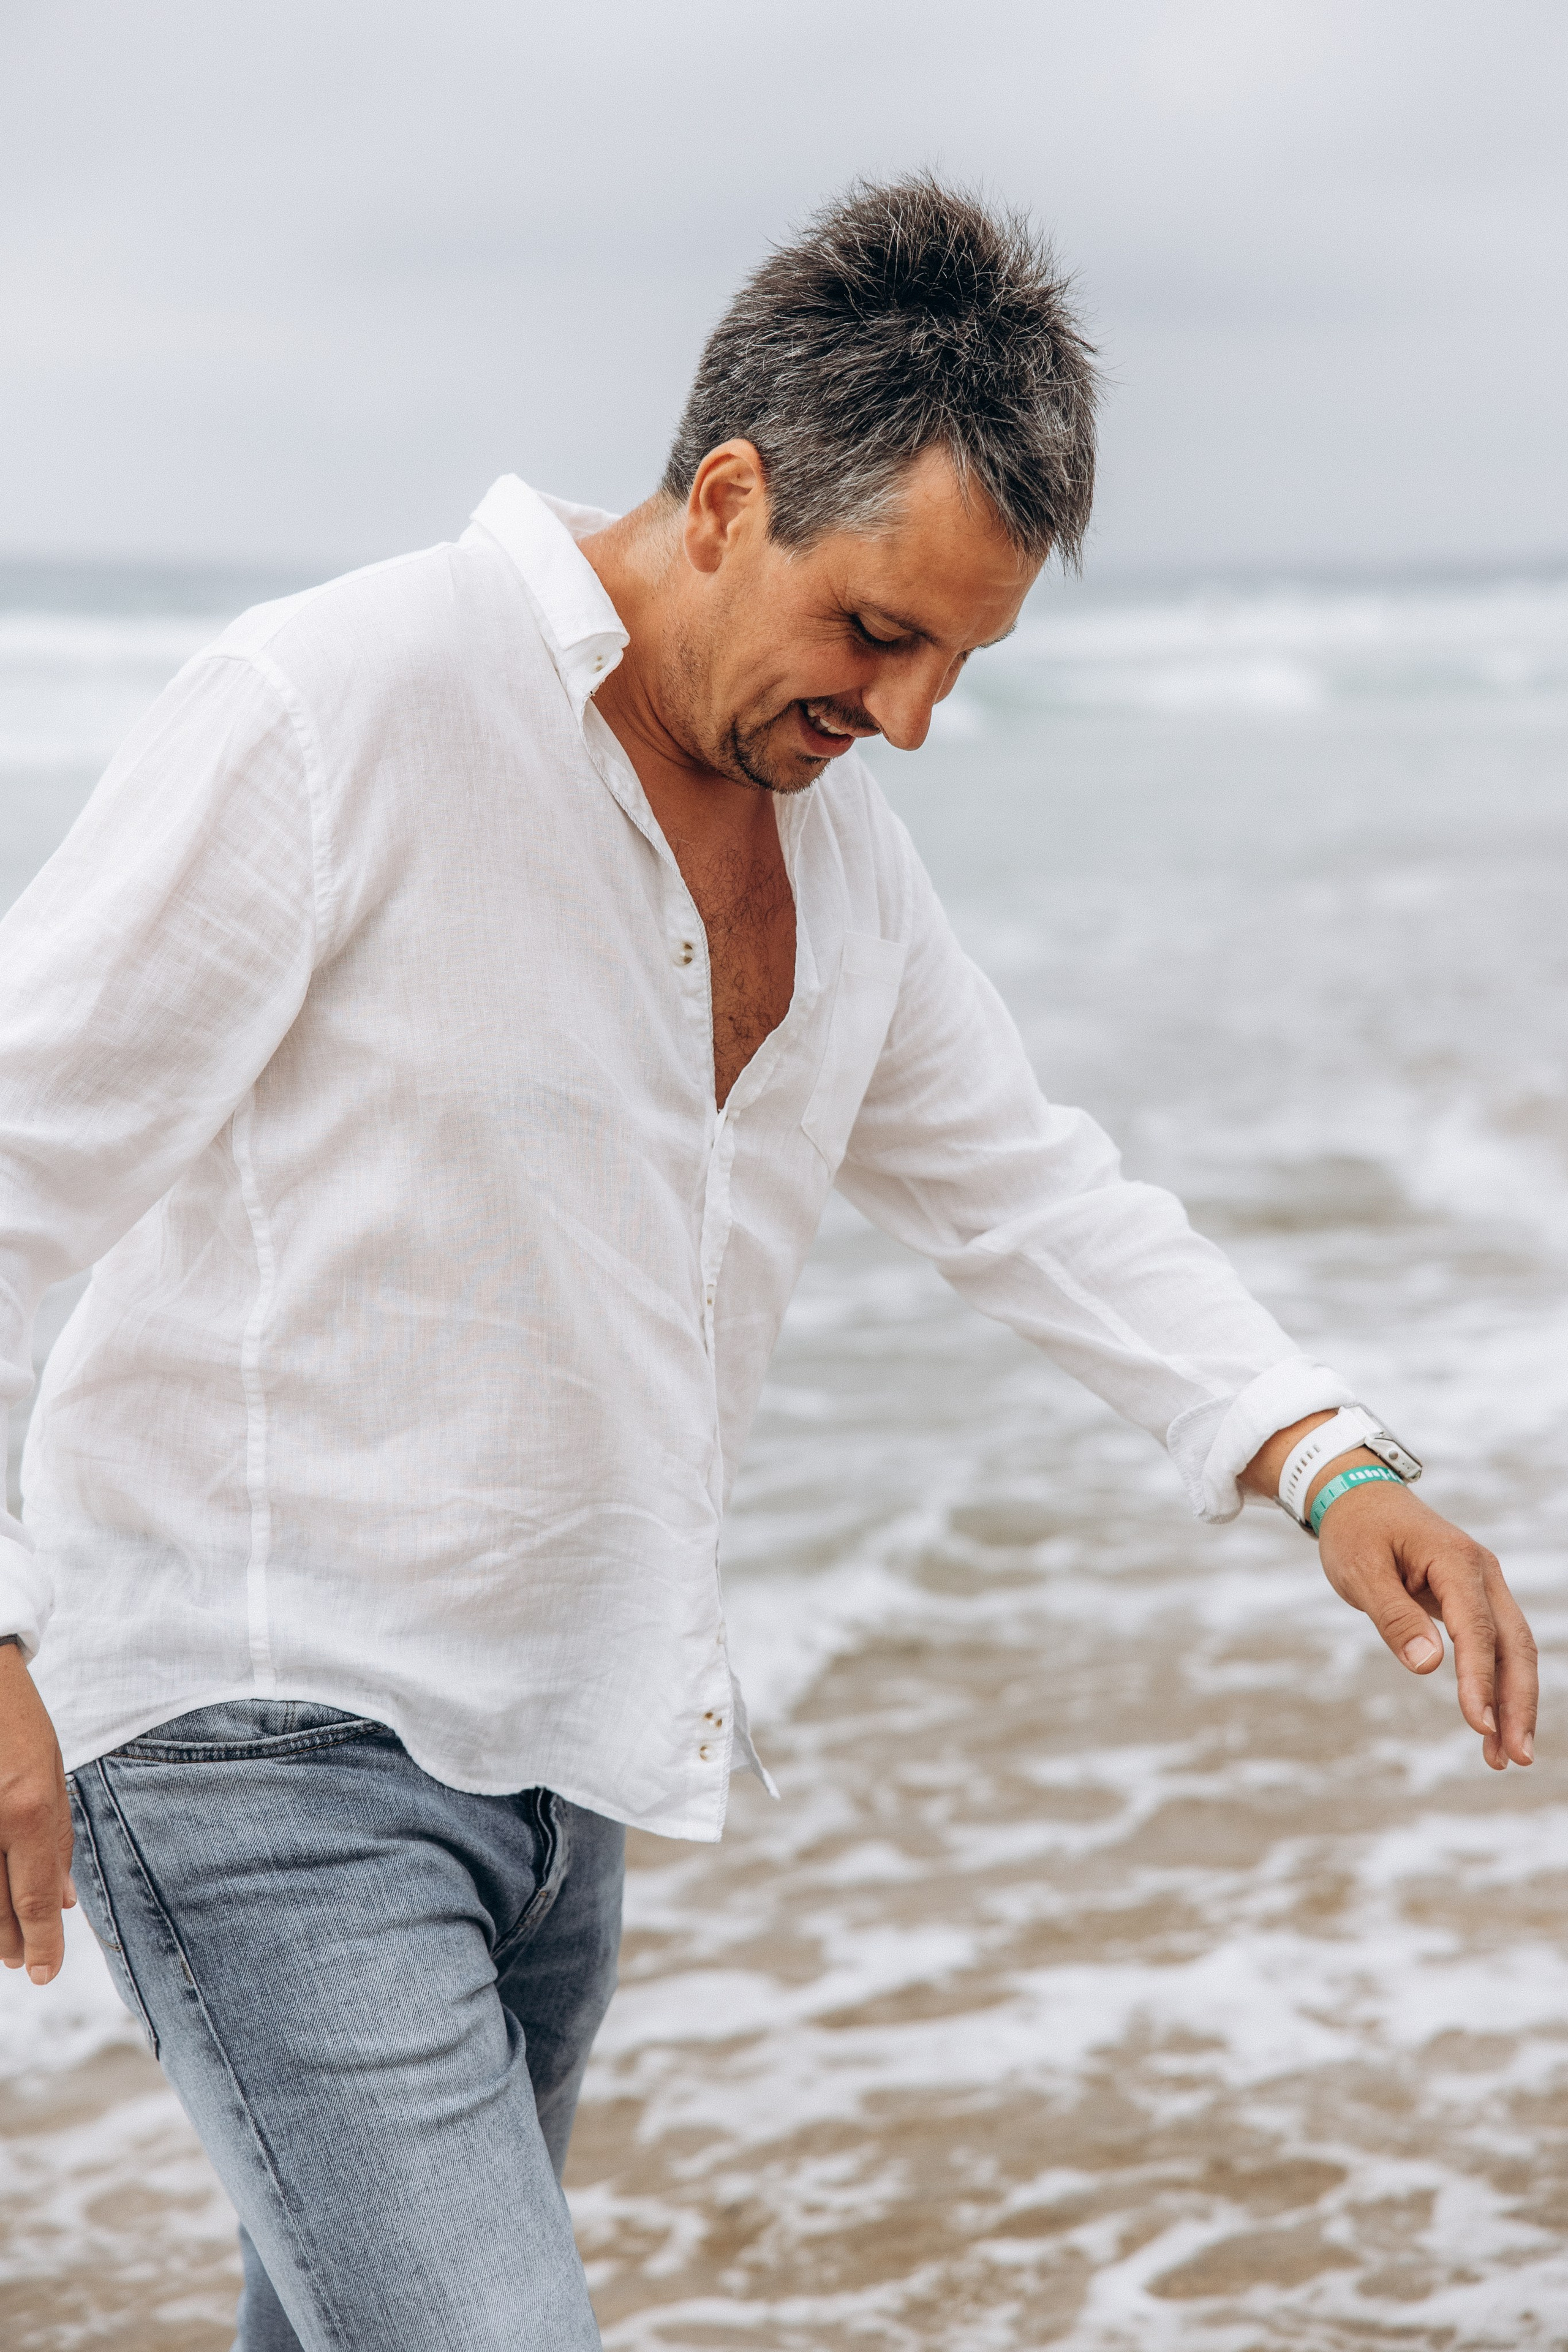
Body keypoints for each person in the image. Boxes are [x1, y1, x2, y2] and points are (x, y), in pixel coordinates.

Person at [0, 177, 1536, 2350]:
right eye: (877, 635)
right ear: (728, 496)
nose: (906, 721)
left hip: (563, 1772)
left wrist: (1325, 1458)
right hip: (261, 1749)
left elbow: (1024, 1187)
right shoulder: (338, 709)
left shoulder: (844, 863)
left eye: (959, 666)